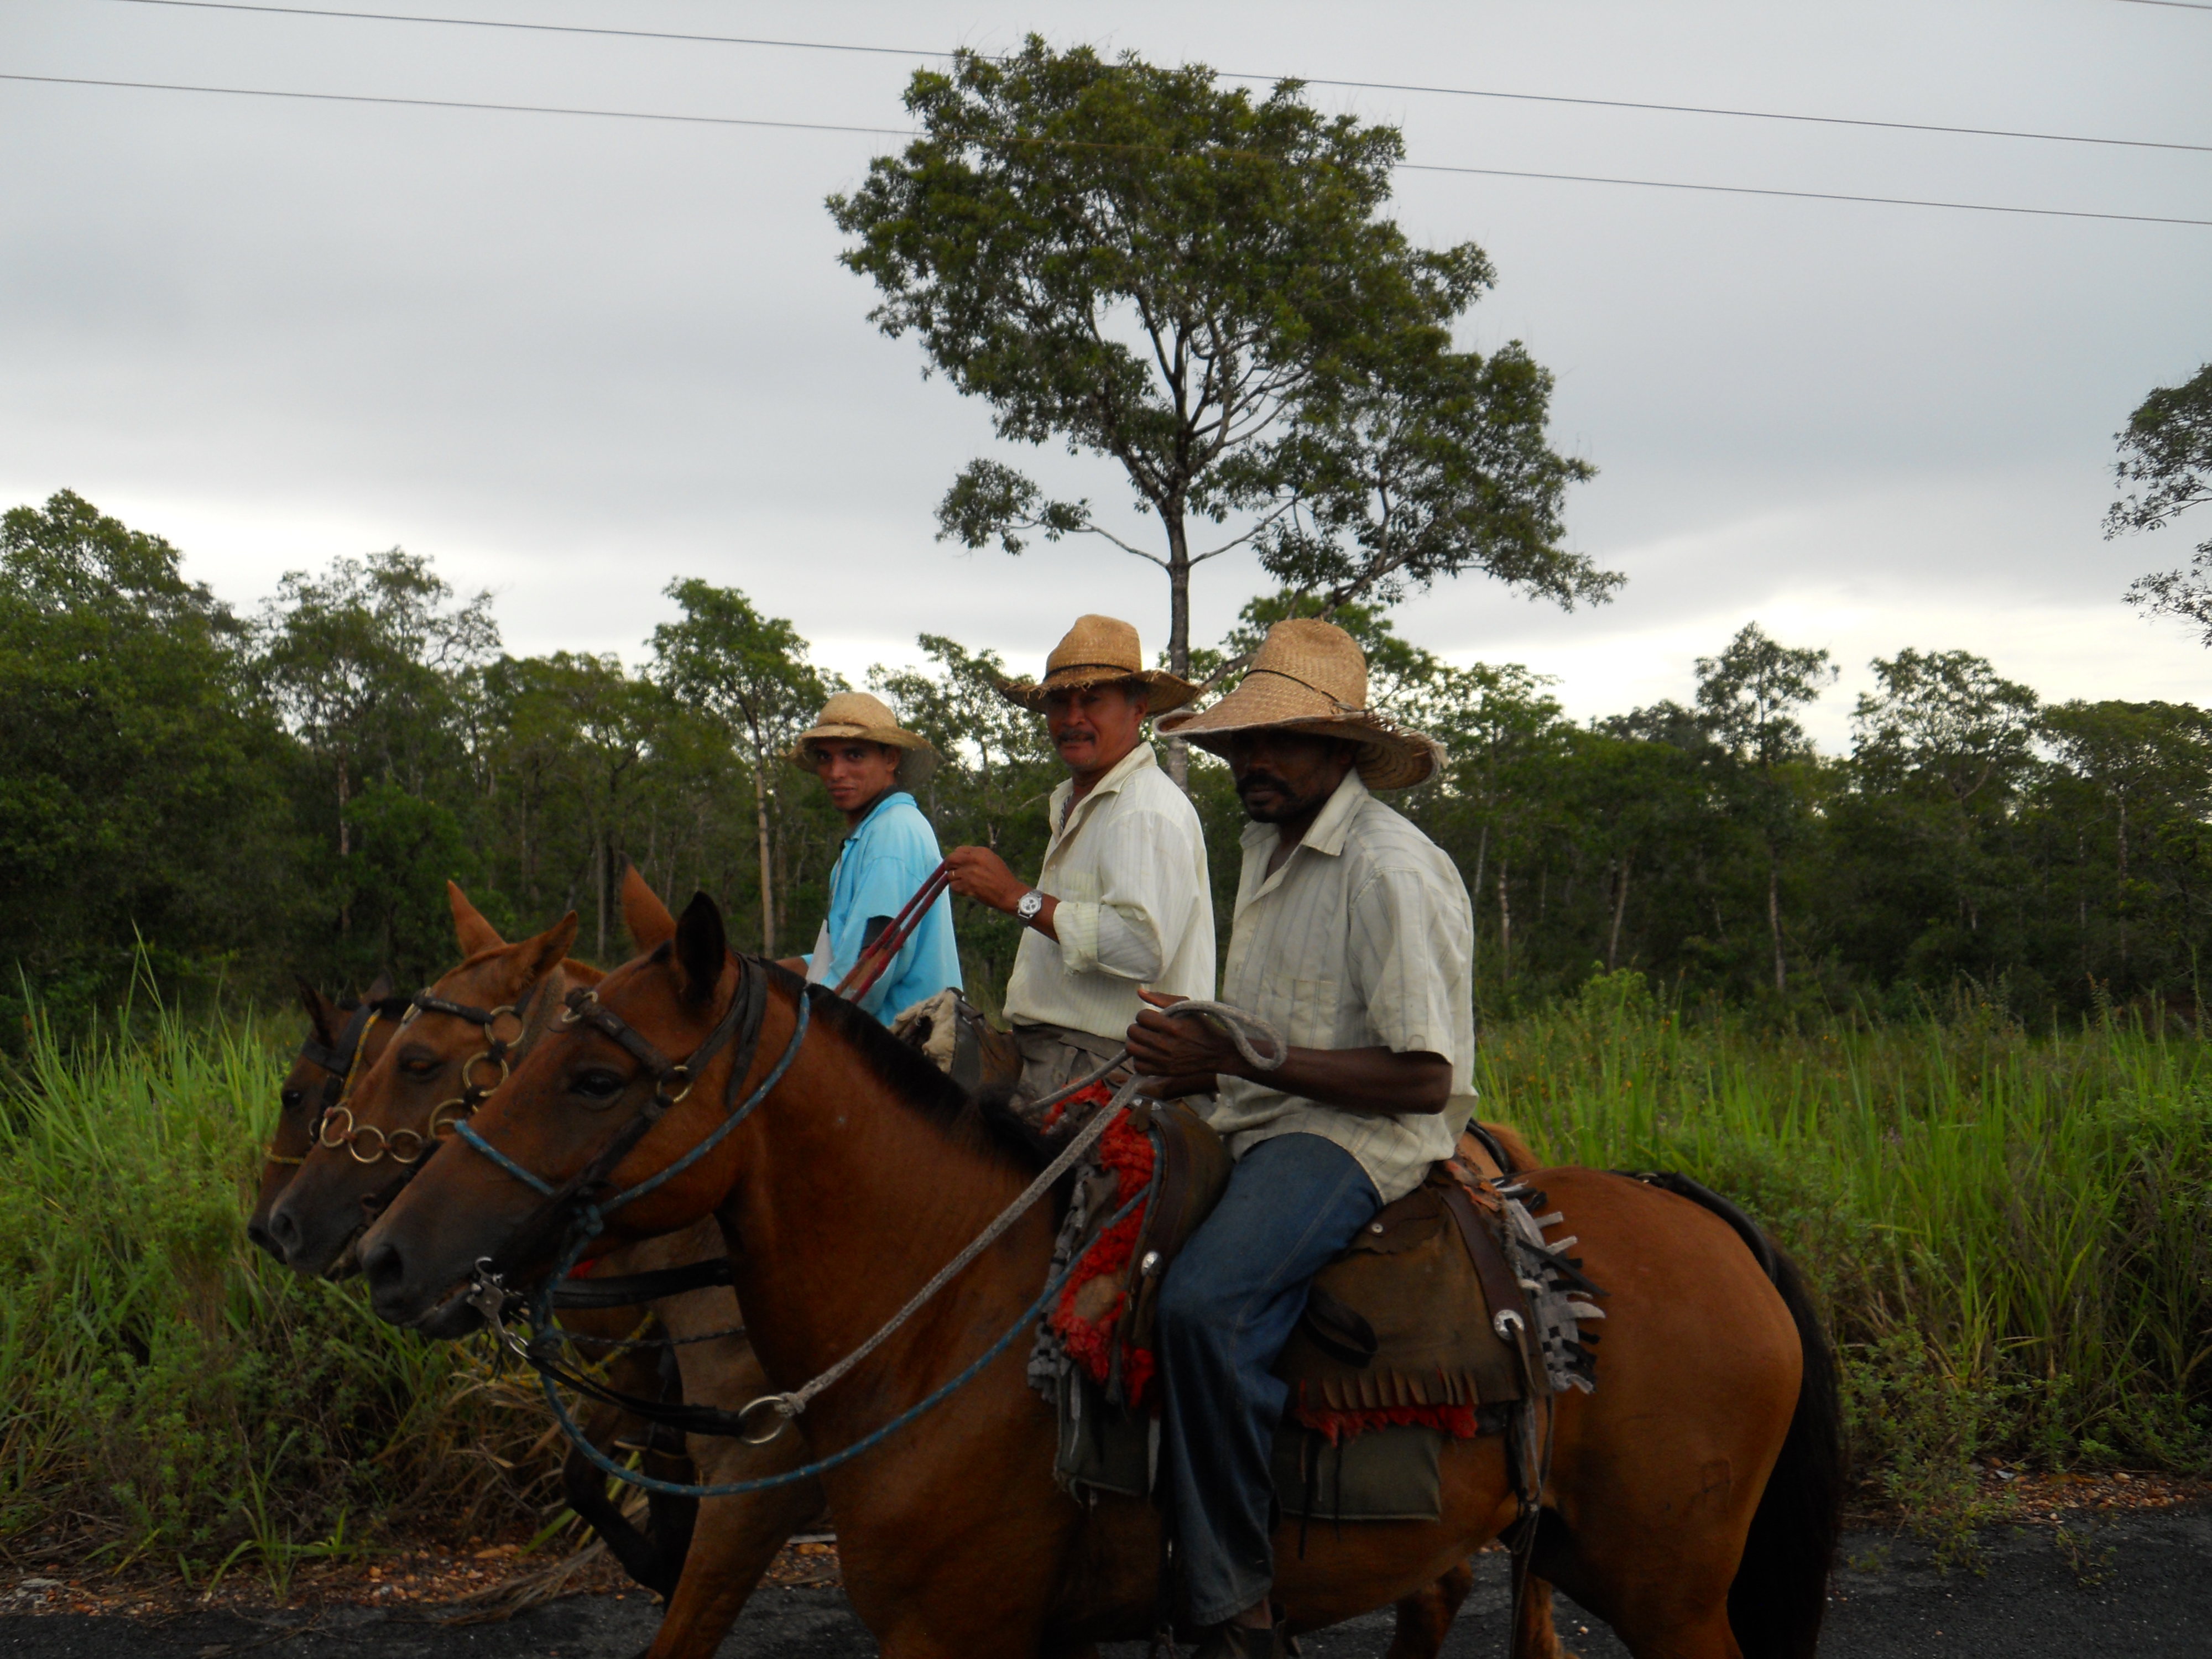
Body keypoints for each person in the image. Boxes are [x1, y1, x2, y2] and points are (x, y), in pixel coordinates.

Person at [1122, 619, 1474, 1658]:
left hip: (1356, 1135)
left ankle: (1238, 1605)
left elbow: (1423, 1077)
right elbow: (1276, 1027)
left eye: (1276, 743)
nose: (1251, 764)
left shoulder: (1391, 869)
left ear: (1345, 752)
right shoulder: (1267, 841)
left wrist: (1229, 1061)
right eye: (1239, 745)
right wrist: (1199, 1038)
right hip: (1259, 1110)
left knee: (1205, 1307)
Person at [942, 614, 1215, 1121]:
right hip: (1053, 1049)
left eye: (1092, 700)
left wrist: (1015, 897)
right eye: (1060, 702)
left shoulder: (1143, 808)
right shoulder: (1078, 799)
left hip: (1104, 1062)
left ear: (1137, 710)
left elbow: (1140, 947)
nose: (1072, 717)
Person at [783, 691, 961, 1022]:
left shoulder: (890, 835)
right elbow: (842, 955)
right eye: (825, 757)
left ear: (890, 758)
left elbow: (867, 974)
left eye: (854, 755)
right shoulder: (871, 833)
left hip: (899, 1049)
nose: (836, 772)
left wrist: (804, 1021)